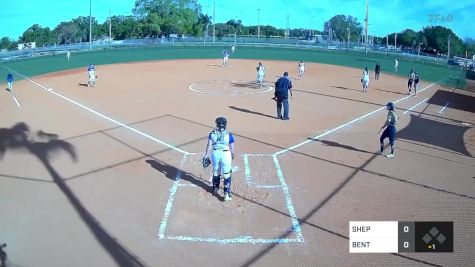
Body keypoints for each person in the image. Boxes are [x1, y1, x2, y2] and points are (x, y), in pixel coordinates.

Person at [203, 117, 235, 201]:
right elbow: (232, 149)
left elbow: (209, 146)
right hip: (226, 155)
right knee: (227, 174)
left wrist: (206, 156)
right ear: (225, 125)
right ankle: (226, 194)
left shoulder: (212, 134)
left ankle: (215, 188)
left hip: (215, 154)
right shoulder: (229, 135)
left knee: (216, 171)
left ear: (217, 124)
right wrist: (232, 155)